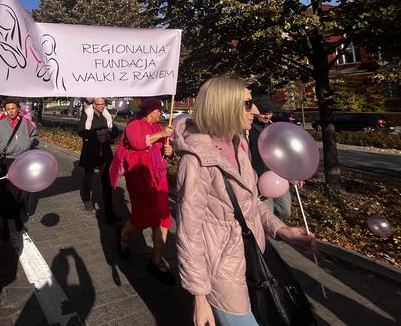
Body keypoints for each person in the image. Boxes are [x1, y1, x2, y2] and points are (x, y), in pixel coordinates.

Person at [173, 75, 317, 326]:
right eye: (247, 103)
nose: (255, 110)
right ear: (224, 106)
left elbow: (249, 202)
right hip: (223, 269)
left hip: (253, 256)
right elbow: (188, 232)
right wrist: (199, 296)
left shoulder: (239, 143)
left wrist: (282, 230)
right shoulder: (195, 160)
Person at [115, 98, 174, 285]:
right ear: (146, 110)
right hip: (140, 177)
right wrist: (162, 134)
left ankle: (156, 260)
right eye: (156, 110)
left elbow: (165, 154)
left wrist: (169, 151)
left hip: (159, 175)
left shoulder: (158, 128)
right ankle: (124, 234)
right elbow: (139, 143)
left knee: (164, 216)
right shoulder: (134, 125)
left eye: (160, 111)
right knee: (144, 215)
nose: (159, 114)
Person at [0, 99, 38, 239]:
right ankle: (5, 224)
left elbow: (34, 137)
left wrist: (30, 142)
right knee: (5, 193)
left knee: (20, 192)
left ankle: (17, 216)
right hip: (7, 161)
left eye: (13, 108)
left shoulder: (26, 123)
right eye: (8, 109)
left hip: (22, 160)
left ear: (18, 109)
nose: (11, 111)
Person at [248, 95, 292, 220]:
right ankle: (270, 234)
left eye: (270, 113)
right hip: (259, 178)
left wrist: (292, 174)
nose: (267, 116)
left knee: (285, 211)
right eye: (263, 113)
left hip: (278, 176)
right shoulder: (249, 130)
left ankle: (274, 230)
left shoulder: (274, 128)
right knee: (267, 215)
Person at [78, 98, 119, 224]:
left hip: (105, 154)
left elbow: (115, 130)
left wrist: (109, 136)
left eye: (103, 104)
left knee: (107, 182)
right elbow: (81, 131)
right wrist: (97, 134)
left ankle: (109, 212)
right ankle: (87, 199)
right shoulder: (87, 115)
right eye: (100, 104)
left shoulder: (106, 116)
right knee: (89, 177)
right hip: (91, 152)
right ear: (94, 105)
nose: (102, 106)